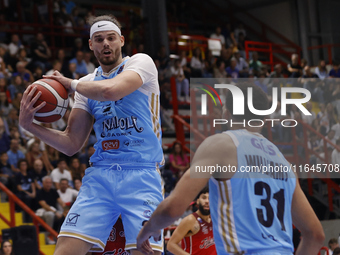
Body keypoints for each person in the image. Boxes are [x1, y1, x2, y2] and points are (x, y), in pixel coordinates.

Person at [19, 14, 163, 255]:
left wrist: (69, 83)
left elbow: (111, 90)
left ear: (121, 41)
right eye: (99, 39)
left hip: (142, 175)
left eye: (110, 38)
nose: (105, 43)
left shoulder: (141, 63)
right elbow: (71, 143)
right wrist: (30, 126)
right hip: (100, 177)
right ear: (90, 45)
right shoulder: (86, 84)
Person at [137, 83, 325, 254]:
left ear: (226, 114)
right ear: (264, 118)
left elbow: (174, 208)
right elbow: (316, 235)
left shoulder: (221, 145)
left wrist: (146, 231)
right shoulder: (284, 163)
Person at [167, 187, 216, 255]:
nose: (207, 201)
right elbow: (170, 245)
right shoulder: (190, 220)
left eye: (210, 198)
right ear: (198, 201)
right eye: (204, 198)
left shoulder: (215, 219)